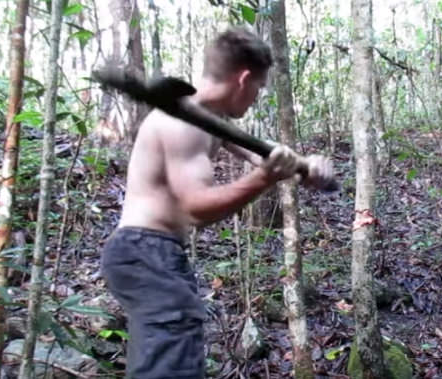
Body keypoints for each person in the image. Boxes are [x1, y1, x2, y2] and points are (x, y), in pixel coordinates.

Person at [100, 26, 334, 378]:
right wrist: (266, 178)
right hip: (144, 251)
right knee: (171, 364)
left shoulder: (211, 120)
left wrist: (306, 166)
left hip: (149, 253)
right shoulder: (183, 124)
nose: (257, 96)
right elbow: (196, 208)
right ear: (243, 79)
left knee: (166, 357)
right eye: (259, 86)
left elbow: (261, 155)